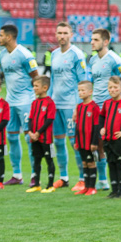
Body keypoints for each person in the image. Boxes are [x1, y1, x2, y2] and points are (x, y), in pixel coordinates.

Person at [87, 28, 121, 191]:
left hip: (112, 111)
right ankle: (104, 179)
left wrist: (117, 105)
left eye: (96, 40)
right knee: (98, 145)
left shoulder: (114, 60)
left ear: (105, 42)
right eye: (92, 39)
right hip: (97, 109)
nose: (92, 42)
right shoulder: (92, 60)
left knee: (117, 146)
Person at [0, 24, 39, 185]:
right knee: (11, 137)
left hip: (26, 102)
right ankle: (17, 175)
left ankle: (35, 175)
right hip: (10, 102)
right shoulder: (2, 55)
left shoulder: (25, 55)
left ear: (9, 37)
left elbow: (36, 77)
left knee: (30, 139)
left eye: (1, 35)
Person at [50, 21, 88, 192]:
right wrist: (49, 102)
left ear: (71, 35)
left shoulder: (77, 54)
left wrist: (78, 106)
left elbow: (83, 81)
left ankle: (82, 178)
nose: (62, 36)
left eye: (65, 33)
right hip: (56, 105)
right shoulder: (54, 54)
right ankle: (64, 177)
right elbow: (52, 80)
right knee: (58, 142)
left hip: (71, 105)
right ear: (56, 35)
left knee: (75, 143)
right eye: (60, 33)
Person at [26, 76, 57, 194]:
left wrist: (38, 133)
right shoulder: (34, 102)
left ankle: (50, 185)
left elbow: (49, 120)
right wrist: (30, 132)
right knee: (36, 160)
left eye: (36, 86)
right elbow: (30, 118)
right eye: (33, 86)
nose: (34, 88)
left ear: (45, 88)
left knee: (49, 160)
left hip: (46, 138)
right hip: (34, 138)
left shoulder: (50, 103)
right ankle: (37, 184)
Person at [73, 80, 101, 196]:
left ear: (90, 92)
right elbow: (77, 125)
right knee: (84, 163)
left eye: (83, 90)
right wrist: (76, 141)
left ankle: (92, 187)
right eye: (79, 90)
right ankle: (86, 187)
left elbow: (96, 126)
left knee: (91, 163)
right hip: (81, 141)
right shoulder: (79, 107)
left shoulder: (94, 107)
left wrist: (94, 142)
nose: (80, 93)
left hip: (90, 142)